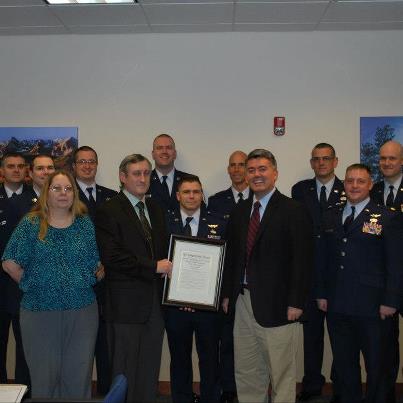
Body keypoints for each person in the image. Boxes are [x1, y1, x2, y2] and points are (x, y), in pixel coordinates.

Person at [222, 149, 314, 403]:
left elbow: (302, 260)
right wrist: (228, 294)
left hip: (280, 305)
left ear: (275, 172)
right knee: (247, 371)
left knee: (282, 373)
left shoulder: (293, 210)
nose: (256, 175)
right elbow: (232, 257)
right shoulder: (240, 211)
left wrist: (296, 302)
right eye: (251, 170)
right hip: (243, 302)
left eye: (262, 169)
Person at [2, 170, 100, 399]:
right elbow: (9, 262)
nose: (63, 193)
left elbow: (94, 262)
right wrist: (32, 283)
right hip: (39, 312)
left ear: (74, 194)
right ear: (47, 192)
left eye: (68, 189)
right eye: (57, 188)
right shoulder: (31, 223)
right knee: (44, 379)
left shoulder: (84, 224)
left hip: (82, 311)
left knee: (78, 376)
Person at [316, 163, 403, 403]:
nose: (354, 186)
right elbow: (322, 259)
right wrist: (321, 294)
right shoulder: (331, 215)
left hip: (374, 307)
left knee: (377, 367)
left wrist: (391, 300)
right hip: (338, 305)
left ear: (370, 185)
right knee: (344, 366)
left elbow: (395, 264)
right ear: (344, 184)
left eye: (360, 181)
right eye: (350, 181)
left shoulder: (387, 217)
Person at [95, 154, 172, 403]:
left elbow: (166, 253)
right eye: (136, 173)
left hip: (154, 304)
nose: (142, 178)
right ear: (122, 177)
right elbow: (112, 256)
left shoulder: (156, 210)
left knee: (149, 369)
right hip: (124, 306)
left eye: (146, 173)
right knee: (124, 371)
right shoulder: (109, 209)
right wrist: (153, 267)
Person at [166, 175, 226, 403]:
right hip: (175, 306)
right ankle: (181, 399)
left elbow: (225, 264)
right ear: (178, 195)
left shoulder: (220, 222)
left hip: (208, 307)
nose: (192, 196)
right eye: (187, 192)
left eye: (196, 192)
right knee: (179, 358)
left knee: (210, 358)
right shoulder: (165, 222)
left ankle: (211, 398)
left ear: (202, 195)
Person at [291, 143, 344, 402]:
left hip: (338, 277)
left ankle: (341, 385)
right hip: (310, 276)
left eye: (326, 159)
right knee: (311, 337)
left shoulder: (349, 189)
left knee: (340, 336)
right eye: (317, 159)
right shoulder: (300, 190)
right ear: (311, 163)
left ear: (336, 162)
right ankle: (312, 385)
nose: (321, 163)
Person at [72, 145, 117, 395]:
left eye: (92, 162)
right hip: (80, 279)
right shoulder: (67, 195)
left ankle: (108, 392)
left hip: (108, 279)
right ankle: (80, 392)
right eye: (82, 162)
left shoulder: (111, 195)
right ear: (74, 166)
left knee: (106, 342)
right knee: (82, 342)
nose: (88, 166)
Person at [207, 150, 250, 403]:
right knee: (226, 341)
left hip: (252, 282)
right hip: (224, 283)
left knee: (251, 342)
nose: (236, 169)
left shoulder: (259, 199)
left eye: (241, 165)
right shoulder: (215, 201)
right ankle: (229, 389)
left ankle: (249, 388)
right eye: (232, 165)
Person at [370, 140, 403, 403]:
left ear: (401, 160)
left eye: (392, 158)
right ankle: (387, 394)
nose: (387, 163)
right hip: (384, 281)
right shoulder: (374, 191)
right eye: (383, 158)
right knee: (386, 344)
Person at [0, 152, 30, 386]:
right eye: (11, 166)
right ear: (3, 170)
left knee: (26, 349)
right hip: (0, 286)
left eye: (21, 166)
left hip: (24, 285)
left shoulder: (36, 200)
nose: (16, 170)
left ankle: (25, 394)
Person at [148, 133, 192, 214]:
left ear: (175, 154)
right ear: (153, 154)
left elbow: (200, 213)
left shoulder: (190, 180)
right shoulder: (144, 181)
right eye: (159, 148)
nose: (164, 151)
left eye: (168, 148)